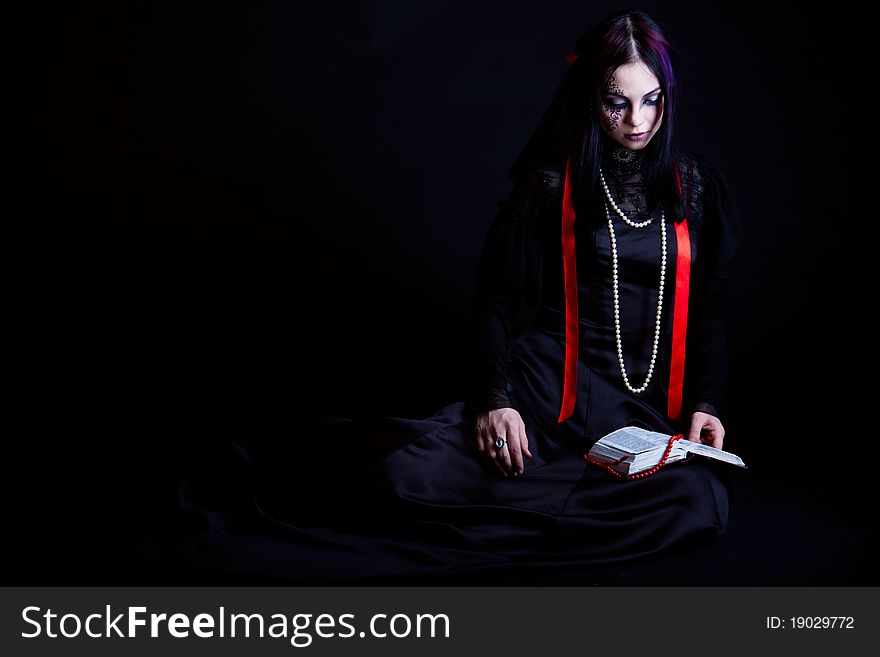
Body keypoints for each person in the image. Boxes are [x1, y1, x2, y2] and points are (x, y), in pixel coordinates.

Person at [178, 8, 744, 583]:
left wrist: (707, 403)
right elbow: (494, 301)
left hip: (636, 410)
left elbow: (709, 311)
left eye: (651, 100)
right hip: (547, 394)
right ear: (590, 99)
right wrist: (496, 399)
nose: (636, 120)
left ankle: (539, 518)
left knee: (695, 501)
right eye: (616, 101)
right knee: (404, 475)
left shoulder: (694, 186)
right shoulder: (551, 183)